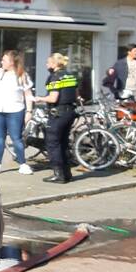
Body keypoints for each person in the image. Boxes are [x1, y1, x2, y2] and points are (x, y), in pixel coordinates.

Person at [0, 49, 33, 175]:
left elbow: (28, 94)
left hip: (15, 111)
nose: (2, 62)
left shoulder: (22, 75)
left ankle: (23, 164)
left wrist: (29, 111)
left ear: (12, 62)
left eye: (4, 60)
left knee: (16, 138)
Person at [35, 53, 79, 184]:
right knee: (64, 142)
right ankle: (67, 173)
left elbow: (53, 98)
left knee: (53, 143)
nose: (47, 65)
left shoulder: (55, 77)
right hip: (70, 112)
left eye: (48, 62)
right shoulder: (71, 75)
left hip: (58, 114)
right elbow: (76, 95)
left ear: (54, 64)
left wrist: (39, 98)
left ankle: (58, 174)